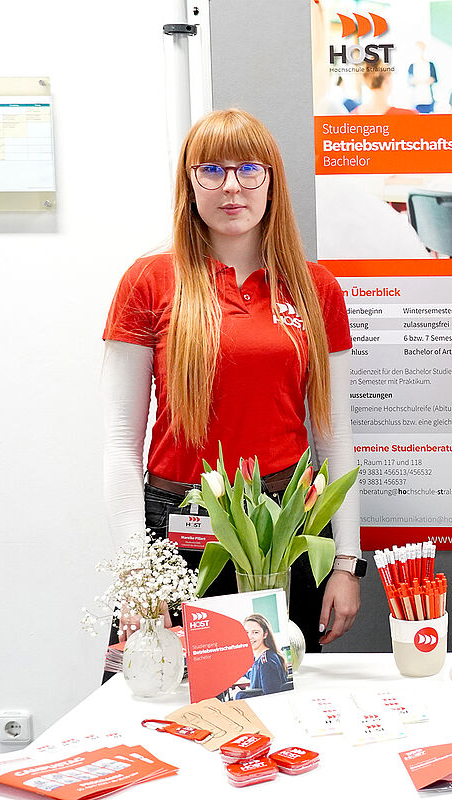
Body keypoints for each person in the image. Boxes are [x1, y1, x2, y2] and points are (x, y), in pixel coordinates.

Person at [101, 109, 364, 657]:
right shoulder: (149, 281)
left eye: (249, 169)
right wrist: (135, 577)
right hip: (175, 535)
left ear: (272, 180)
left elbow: (335, 438)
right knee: (167, 708)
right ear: (188, 182)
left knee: (279, 717)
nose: (232, 187)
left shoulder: (316, 289)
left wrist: (346, 564)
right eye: (211, 171)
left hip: (284, 530)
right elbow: (120, 447)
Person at [237, 614, 289, 697]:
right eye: (246, 632)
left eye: (255, 632)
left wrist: (239, 695)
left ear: (265, 634)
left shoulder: (266, 661)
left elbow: (271, 697)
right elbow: (256, 676)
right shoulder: (261, 657)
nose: (250, 637)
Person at [407, 41, 438, 113]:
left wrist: (429, 80)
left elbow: (435, 79)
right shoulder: (412, 66)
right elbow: (409, 81)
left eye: (422, 49)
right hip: (416, 99)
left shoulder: (430, 64)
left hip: (428, 98)